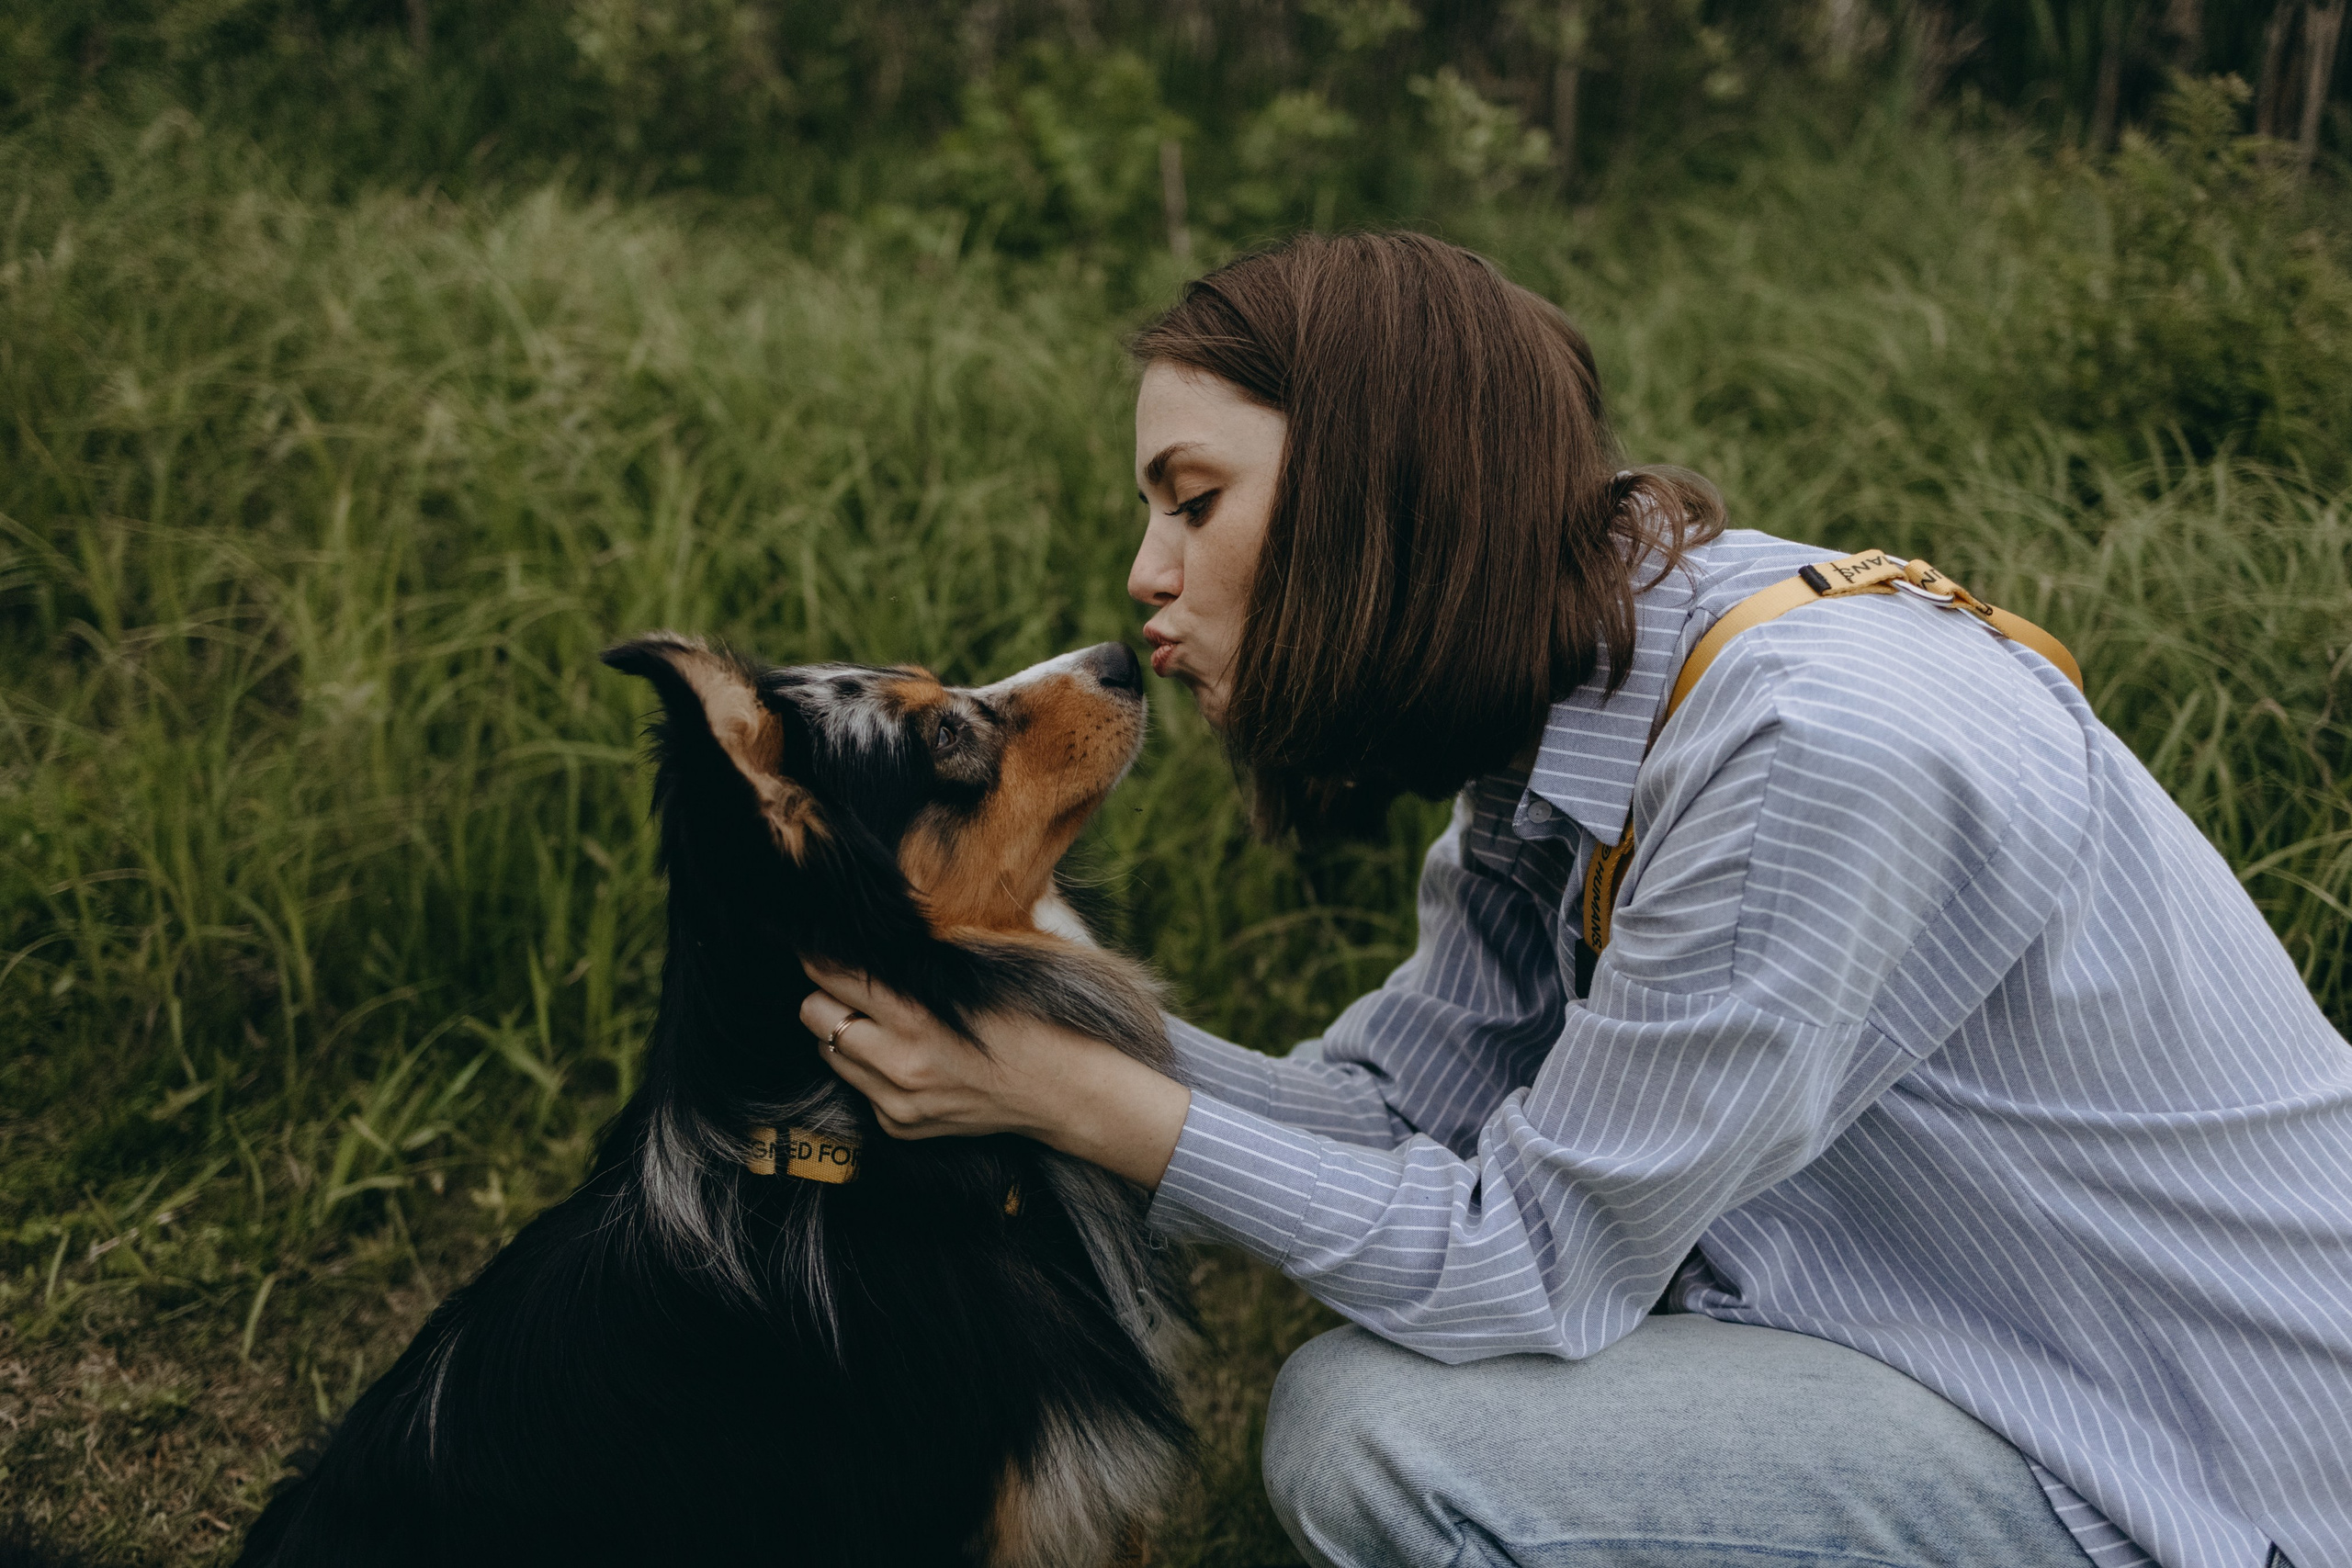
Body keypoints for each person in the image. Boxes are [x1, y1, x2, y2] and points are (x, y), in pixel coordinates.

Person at [799, 231, 2352, 1568]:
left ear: (1372, 492)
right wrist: (1009, 1016)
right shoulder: (1580, 715)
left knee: (1380, 1436)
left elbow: (1526, 1265)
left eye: (1192, 501)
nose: (1146, 573)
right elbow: (1402, 1117)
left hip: (2189, 1456)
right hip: (1979, 1346)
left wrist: (1073, 1094)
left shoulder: (1800, 751)